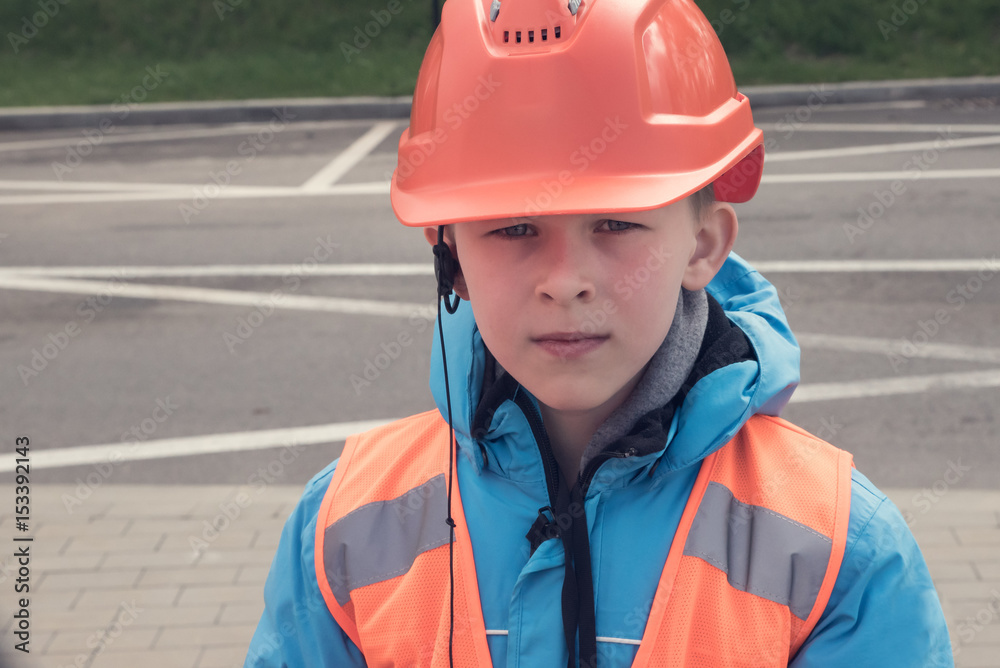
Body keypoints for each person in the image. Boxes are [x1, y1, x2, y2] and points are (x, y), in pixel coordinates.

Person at [245, 0, 953, 665]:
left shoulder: (836, 550)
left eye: (615, 222)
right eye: (515, 227)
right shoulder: (345, 527)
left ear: (704, 245)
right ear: (450, 257)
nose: (564, 279)